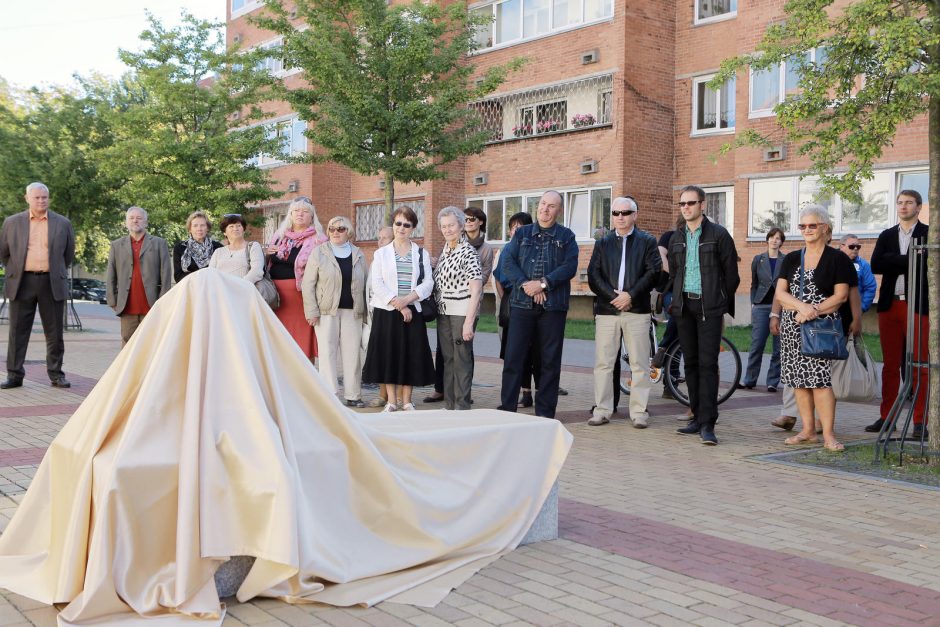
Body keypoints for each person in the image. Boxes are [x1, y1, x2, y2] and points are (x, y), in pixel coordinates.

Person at [774, 205, 853, 451]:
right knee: (798, 380)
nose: (806, 230)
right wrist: (801, 307)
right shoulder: (790, 258)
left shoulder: (837, 258)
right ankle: (808, 431)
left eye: (812, 225)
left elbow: (841, 296)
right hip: (792, 326)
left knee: (819, 381)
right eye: (803, 226)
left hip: (819, 327)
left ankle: (828, 434)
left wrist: (812, 311)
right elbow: (780, 292)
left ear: (824, 228)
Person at [669, 185, 740, 445]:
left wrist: (719, 301)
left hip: (709, 308)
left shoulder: (719, 235)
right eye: (682, 204)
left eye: (691, 203)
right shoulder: (677, 237)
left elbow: (731, 275)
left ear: (703, 205)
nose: (686, 208)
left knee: (708, 365)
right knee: (690, 364)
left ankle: (708, 423)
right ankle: (697, 417)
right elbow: (675, 273)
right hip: (684, 308)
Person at [499, 191, 579, 419]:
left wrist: (543, 284)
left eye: (551, 206)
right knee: (514, 359)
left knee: (549, 362)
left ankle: (545, 414)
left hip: (553, 307)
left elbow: (569, 267)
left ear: (558, 210)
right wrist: (527, 285)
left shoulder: (567, 237)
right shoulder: (522, 234)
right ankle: (507, 411)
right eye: (543, 204)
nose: (545, 209)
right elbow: (508, 262)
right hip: (521, 305)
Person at [587, 197, 661, 427]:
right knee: (604, 363)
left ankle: (639, 412)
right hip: (607, 311)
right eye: (616, 213)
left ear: (635, 215)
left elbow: (653, 272)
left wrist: (630, 295)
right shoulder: (603, 242)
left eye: (625, 213)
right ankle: (602, 410)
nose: (620, 217)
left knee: (639, 364)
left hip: (636, 310)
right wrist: (614, 297)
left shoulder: (647, 241)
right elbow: (593, 276)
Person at [0, 182, 75, 389]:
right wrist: (17, 270)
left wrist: (53, 269)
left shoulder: (62, 223)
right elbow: (4, 253)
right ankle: (14, 375)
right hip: (22, 282)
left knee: (55, 333)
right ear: (27, 199)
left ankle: (56, 374)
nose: (41, 201)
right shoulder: (12, 222)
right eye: (37, 197)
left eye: (44, 197)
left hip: (51, 283)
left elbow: (68, 255)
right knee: (17, 331)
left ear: (48, 198)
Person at [867, 190, 929, 438]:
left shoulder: (927, 234)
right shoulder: (886, 234)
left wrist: (894, 260)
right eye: (900, 202)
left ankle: (919, 422)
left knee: (920, 365)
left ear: (919, 206)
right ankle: (887, 418)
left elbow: (926, 265)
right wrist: (909, 259)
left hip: (917, 306)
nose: (903, 207)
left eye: (909, 203)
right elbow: (875, 264)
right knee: (890, 365)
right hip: (889, 305)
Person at [362, 206, 435, 412]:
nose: (401, 228)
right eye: (398, 223)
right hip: (387, 312)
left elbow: (428, 283)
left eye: (407, 224)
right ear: (393, 225)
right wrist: (398, 303)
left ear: (413, 228)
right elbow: (377, 283)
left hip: (414, 310)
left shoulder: (421, 253)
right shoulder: (381, 253)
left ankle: (407, 401)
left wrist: (408, 300)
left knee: (410, 356)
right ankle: (392, 401)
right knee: (389, 355)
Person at [425, 206, 493, 404]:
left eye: (451, 225)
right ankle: (449, 406)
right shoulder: (446, 251)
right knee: (448, 361)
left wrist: (468, 323)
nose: (447, 230)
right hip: (443, 313)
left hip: (462, 313)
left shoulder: (468, 252)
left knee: (461, 361)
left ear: (461, 226)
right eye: (444, 226)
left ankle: (462, 407)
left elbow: (477, 289)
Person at [302, 216, 367, 408]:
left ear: (349, 232)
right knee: (327, 353)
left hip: (353, 311)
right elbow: (308, 284)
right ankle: (330, 395)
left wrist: (366, 313)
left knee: (352, 354)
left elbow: (366, 282)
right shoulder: (319, 252)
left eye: (340, 229)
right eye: (331, 229)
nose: (335, 232)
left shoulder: (358, 254)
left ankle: (353, 395)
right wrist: (311, 311)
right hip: (325, 312)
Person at [266, 198, 327, 360]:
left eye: (305, 211)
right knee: (279, 341)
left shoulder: (319, 239)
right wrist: (267, 253)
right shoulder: (279, 236)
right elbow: (268, 265)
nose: (300, 214)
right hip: (276, 298)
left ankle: (303, 379)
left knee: (300, 341)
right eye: (296, 211)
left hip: (301, 298)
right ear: (290, 214)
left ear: (312, 216)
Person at [106, 207, 172, 346]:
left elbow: (166, 274)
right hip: (127, 307)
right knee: (127, 347)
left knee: (151, 346)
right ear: (126, 222)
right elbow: (111, 274)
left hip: (152, 306)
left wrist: (163, 301)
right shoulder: (116, 245)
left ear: (146, 222)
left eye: (139, 218)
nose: (135, 220)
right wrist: (112, 299)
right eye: (131, 218)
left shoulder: (160, 243)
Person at [493, 212, 539, 407]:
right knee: (515, 353)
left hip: (536, 303)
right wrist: (507, 300)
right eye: (513, 227)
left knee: (535, 352)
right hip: (514, 304)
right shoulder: (507, 250)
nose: (515, 231)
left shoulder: (535, 248)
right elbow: (499, 278)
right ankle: (523, 393)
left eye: (519, 227)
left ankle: (538, 392)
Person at [740, 228, 785, 392]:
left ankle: (772, 381)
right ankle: (749, 380)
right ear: (767, 240)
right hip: (761, 306)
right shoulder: (758, 259)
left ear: (781, 242)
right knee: (756, 345)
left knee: (778, 347)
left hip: (780, 308)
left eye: (778, 238)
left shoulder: (786, 260)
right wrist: (753, 303)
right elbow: (754, 284)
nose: (774, 240)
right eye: (772, 237)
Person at [363, 226, 394, 408]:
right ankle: (383, 394)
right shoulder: (376, 259)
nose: (380, 241)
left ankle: (397, 397)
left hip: (393, 312)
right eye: (379, 237)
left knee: (395, 355)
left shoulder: (396, 259)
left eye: (385, 238)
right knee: (380, 355)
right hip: (376, 313)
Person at [209, 213, 265, 281]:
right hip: (221, 289)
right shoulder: (218, 252)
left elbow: (257, 272)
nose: (235, 229)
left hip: (245, 288)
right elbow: (211, 274)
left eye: (238, 226)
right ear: (224, 232)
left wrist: (239, 285)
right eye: (231, 226)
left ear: (243, 230)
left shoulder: (253, 247)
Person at [173, 211, 223, 282]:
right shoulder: (180, 248)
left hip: (212, 288)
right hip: (189, 288)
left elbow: (221, 272)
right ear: (190, 229)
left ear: (207, 228)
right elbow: (178, 276)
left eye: (202, 225)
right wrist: (200, 277)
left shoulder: (218, 247)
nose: (199, 229)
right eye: (195, 225)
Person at [839, 234, 877, 314]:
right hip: (832, 311)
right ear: (842, 246)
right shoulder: (831, 261)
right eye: (852, 246)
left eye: (858, 247)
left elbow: (870, 287)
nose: (855, 249)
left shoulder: (864, 265)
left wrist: (862, 307)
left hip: (853, 312)